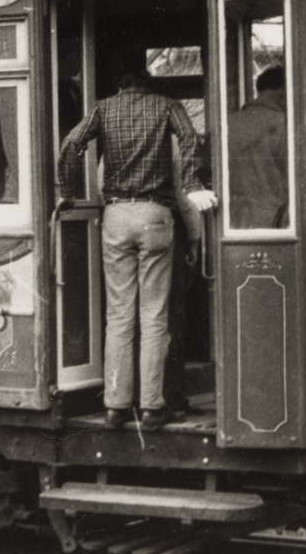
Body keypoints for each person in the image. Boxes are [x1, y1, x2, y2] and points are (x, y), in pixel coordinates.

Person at [57, 68, 218, 430]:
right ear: (149, 87)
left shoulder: (103, 109)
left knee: (119, 317)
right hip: (155, 215)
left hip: (114, 216)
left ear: (121, 85)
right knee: (154, 317)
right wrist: (192, 182)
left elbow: (71, 144)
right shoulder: (167, 107)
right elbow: (191, 140)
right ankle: (151, 408)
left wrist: (67, 192)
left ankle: (115, 406)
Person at [226, 65, 288, 228]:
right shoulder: (285, 125)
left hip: (231, 224)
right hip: (278, 225)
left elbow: (204, 171)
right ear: (282, 92)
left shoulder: (227, 124)